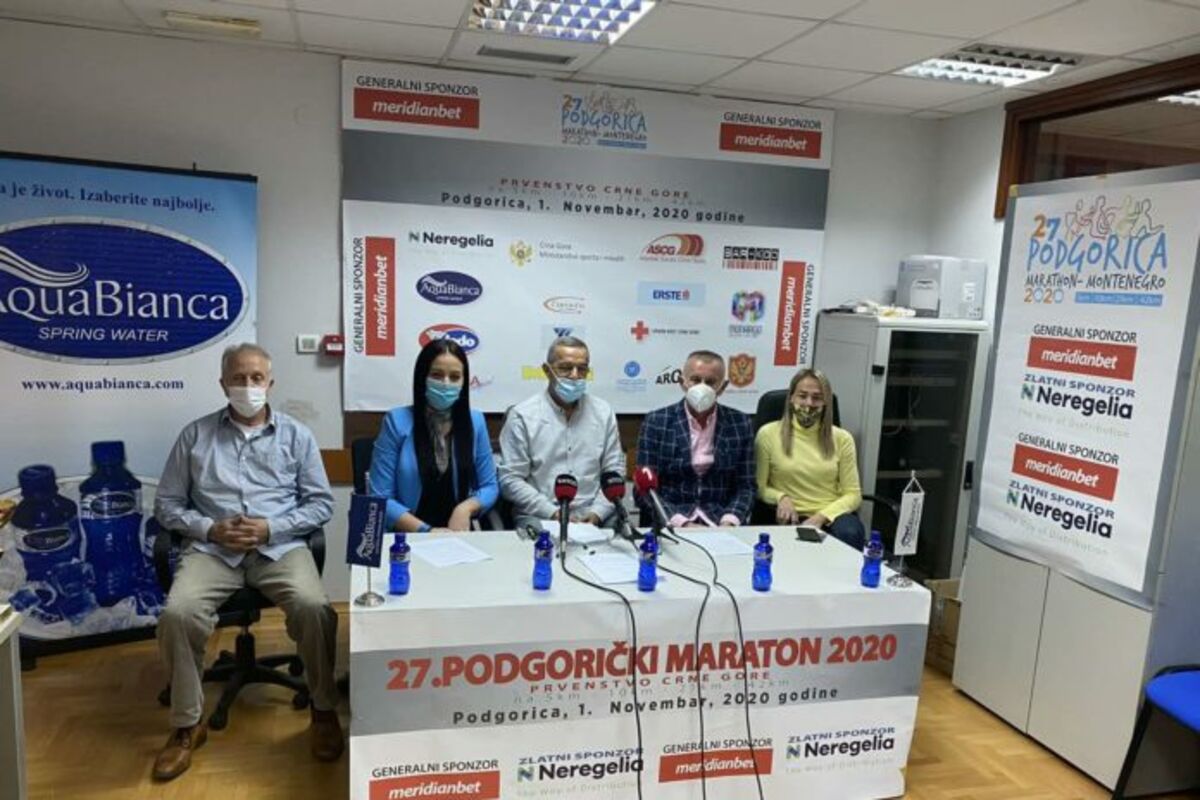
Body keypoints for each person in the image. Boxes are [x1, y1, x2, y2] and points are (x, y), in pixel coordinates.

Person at [152, 343, 340, 781]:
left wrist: (271, 528)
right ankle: (187, 725)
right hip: (213, 551)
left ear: (270, 383)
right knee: (178, 613)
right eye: (239, 378)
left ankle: (323, 709)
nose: (248, 386)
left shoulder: (297, 435)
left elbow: (321, 504)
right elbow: (166, 505)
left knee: (314, 608)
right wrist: (209, 528)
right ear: (223, 384)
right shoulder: (195, 436)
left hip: (278, 547)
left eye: (256, 378)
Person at [368, 339, 498, 532]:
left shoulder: (475, 421)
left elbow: (490, 486)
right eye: (437, 375)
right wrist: (426, 531)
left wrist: (466, 508)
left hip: (459, 534)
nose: (446, 383)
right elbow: (380, 497)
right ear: (422, 377)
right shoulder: (396, 421)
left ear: (464, 382)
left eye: (455, 377)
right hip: (408, 534)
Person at [499, 336, 625, 531]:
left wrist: (597, 513)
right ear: (547, 370)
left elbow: (614, 471)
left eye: (582, 369)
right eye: (565, 368)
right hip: (541, 515)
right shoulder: (523, 416)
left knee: (622, 540)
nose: (575, 375)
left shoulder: (603, 412)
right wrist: (553, 513)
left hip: (593, 515)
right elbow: (511, 479)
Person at [635, 351, 754, 528]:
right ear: (682, 382)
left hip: (720, 520)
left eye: (711, 382)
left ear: (723, 387)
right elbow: (643, 489)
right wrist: (682, 524)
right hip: (672, 520)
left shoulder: (740, 423)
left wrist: (729, 521)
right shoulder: (657, 421)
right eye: (696, 380)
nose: (702, 387)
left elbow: (746, 486)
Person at [754, 368, 865, 549]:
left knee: (851, 532)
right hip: (786, 513)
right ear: (791, 398)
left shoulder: (842, 438)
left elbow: (853, 495)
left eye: (817, 398)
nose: (809, 403)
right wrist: (781, 497)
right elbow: (759, 487)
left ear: (826, 402)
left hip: (831, 515)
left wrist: (820, 517)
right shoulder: (768, 434)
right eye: (802, 396)